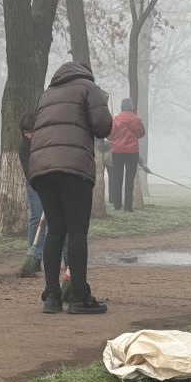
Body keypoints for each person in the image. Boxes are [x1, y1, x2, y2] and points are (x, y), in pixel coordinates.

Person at [29, 62, 113, 315]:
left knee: (55, 231)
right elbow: (102, 126)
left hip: (41, 169)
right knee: (77, 233)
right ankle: (78, 297)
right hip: (74, 167)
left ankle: (52, 297)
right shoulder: (89, 88)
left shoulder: (47, 94)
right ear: (85, 73)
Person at [18, 112, 47, 276]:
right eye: (25, 132)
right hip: (34, 185)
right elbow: (28, 172)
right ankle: (34, 257)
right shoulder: (24, 148)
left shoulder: (45, 143)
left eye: (31, 131)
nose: (28, 135)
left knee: (52, 221)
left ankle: (66, 258)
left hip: (49, 182)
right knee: (37, 218)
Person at [108, 98, 146, 212]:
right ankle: (128, 206)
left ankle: (117, 205)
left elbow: (109, 136)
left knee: (117, 178)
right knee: (129, 179)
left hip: (117, 151)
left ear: (121, 107)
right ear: (132, 107)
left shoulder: (116, 120)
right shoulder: (136, 120)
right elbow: (141, 134)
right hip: (132, 152)